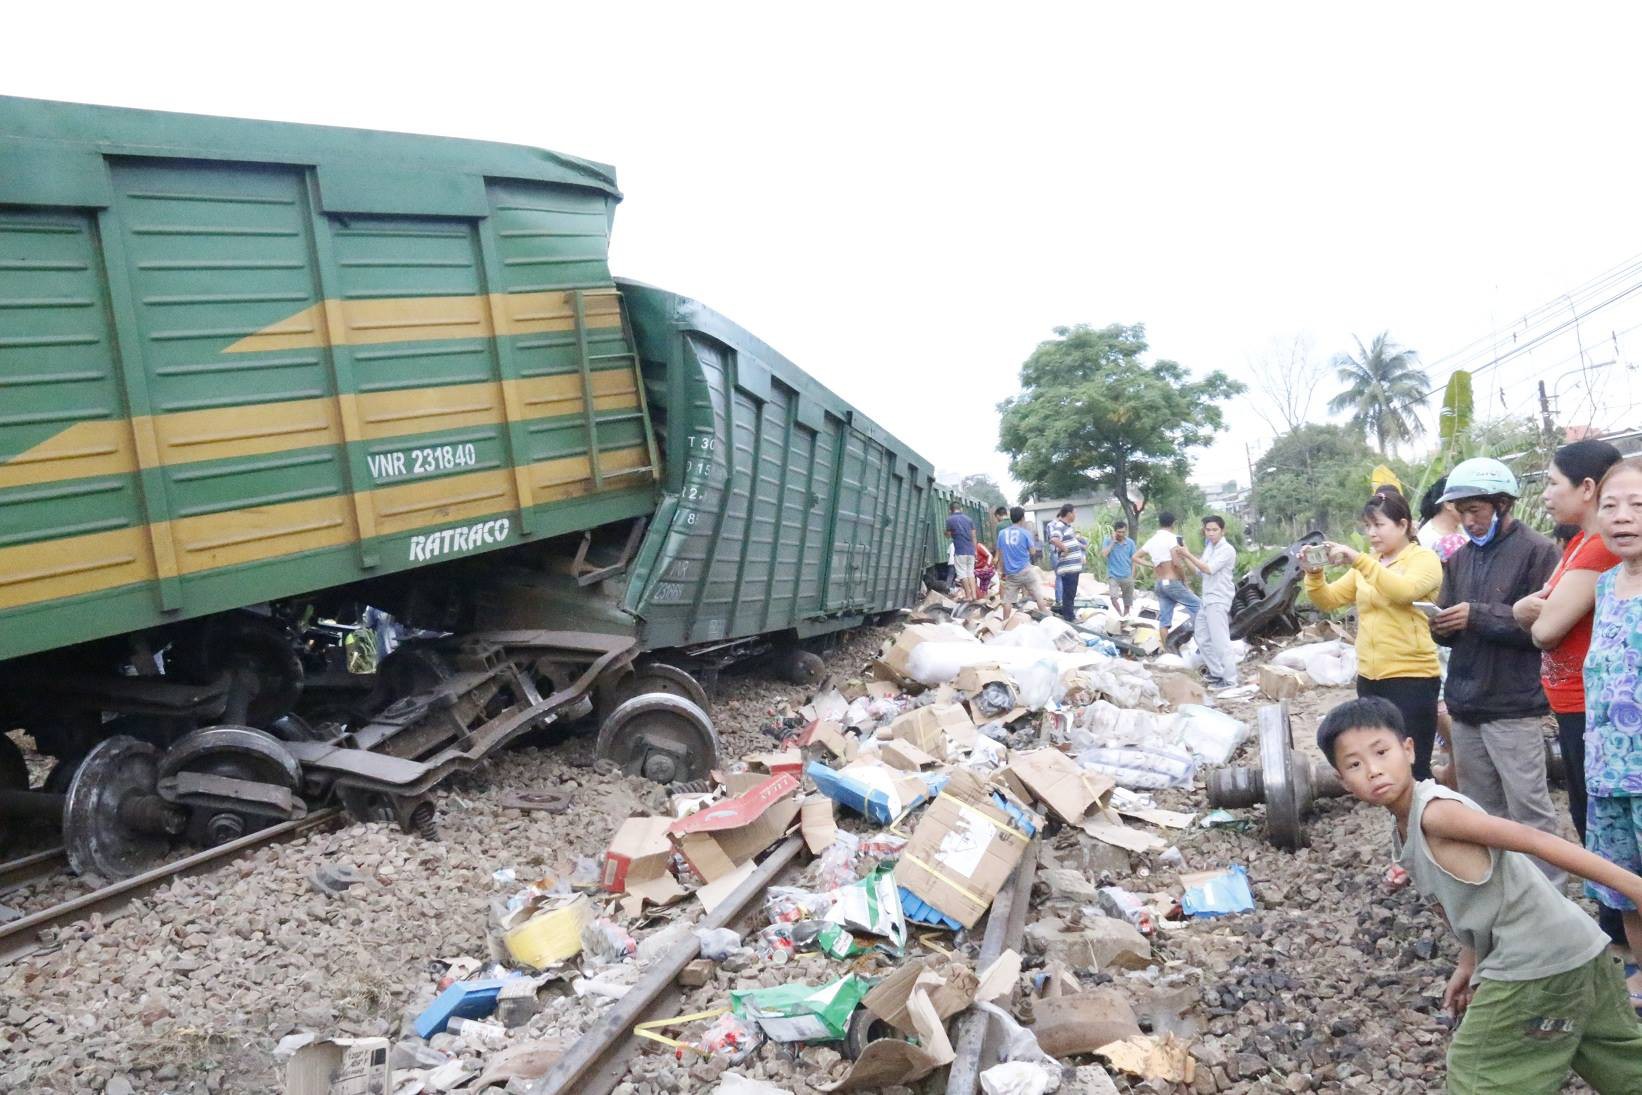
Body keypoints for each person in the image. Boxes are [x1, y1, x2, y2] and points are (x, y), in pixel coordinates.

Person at [1318, 695, 1642, 1092]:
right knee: (1622, 1063)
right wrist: (1469, 962)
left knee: (1478, 1073)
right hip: (1578, 949)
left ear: (1408, 749)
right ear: (1341, 780)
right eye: (1354, 764)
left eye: (1381, 752)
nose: (1373, 770)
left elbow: (1533, 839)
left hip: (1536, 964)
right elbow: (1478, 894)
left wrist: (1633, 886)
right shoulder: (1406, 825)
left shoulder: (1437, 813)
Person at [1430, 457, 1564, 881]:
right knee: (1482, 811)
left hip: (1513, 706)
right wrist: (1441, 625)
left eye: (1477, 511)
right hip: (1466, 704)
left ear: (1503, 504)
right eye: (1462, 512)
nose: (1469, 521)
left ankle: (1551, 901)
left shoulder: (1539, 552)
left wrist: (1476, 615)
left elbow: (1544, 628)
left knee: (1530, 810)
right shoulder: (1459, 559)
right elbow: (1454, 625)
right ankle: (1504, 896)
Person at [1513, 442, 1624, 920]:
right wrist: (1527, 609)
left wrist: (1530, 612)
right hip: (1570, 700)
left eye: (1552, 482)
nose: (1544, 494)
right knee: (1585, 811)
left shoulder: (1599, 549)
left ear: (1586, 488)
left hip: (1589, 702)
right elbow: (1535, 609)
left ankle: (1620, 930)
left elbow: (1545, 627)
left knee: (1598, 817)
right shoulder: (1577, 543)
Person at [1302, 489, 1444, 779]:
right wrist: (1314, 574)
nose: (1371, 533)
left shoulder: (1423, 560)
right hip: (1370, 678)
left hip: (1412, 676)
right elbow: (1328, 600)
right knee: (1382, 767)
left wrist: (1360, 561)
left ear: (1403, 525)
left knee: (1414, 766)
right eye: (1367, 526)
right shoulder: (1369, 564)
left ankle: (1423, 822)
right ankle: (1400, 823)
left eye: (1379, 525)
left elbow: (1403, 592)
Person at [1581, 456, 1642, 1005]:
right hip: (1605, 768)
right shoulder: (1603, 585)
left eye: (1639, 505)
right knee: (1623, 881)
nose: (1623, 517)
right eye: (1611, 505)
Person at [1173, 515, 1240, 687]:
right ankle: (1217, 673)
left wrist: (1188, 554)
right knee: (1201, 637)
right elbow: (1198, 570)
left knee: (1221, 641)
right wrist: (1185, 556)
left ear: (1222, 531)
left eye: (1214, 530)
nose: (1210, 533)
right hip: (1207, 598)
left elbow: (1208, 569)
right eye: (1208, 530)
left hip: (1219, 598)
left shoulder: (1227, 549)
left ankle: (1230, 680)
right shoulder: (1210, 547)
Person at [1136, 512, 1199, 638]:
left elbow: (1135, 557)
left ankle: (1166, 651)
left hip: (1159, 584)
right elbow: (1177, 564)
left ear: (1159, 522)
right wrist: (1184, 581)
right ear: (1173, 524)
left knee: (1164, 621)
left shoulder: (1152, 540)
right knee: (1200, 608)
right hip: (1172, 582)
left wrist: (1150, 564)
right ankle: (1203, 641)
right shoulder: (1172, 539)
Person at [996, 506, 1050, 620]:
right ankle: (1047, 618)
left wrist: (1002, 570)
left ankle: (1005, 623)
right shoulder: (1025, 533)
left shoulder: (1002, 534)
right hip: (1026, 571)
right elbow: (1032, 551)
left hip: (1011, 574)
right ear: (1022, 518)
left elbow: (1000, 554)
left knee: (1008, 601)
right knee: (1038, 596)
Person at [1044, 503, 1088, 623]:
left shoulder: (1067, 527)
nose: (1075, 515)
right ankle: (1069, 617)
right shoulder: (1060, 526)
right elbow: (1054, 539)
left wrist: (1080, 546)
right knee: (1069, 592)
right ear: (1069, 514)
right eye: (1074, 513)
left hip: (1072, 566)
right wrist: (1065, 549)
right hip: (1068, 567)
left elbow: (1069, 541)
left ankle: (1068, 614)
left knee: (1070, 592)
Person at [1419, 476, 1468, 563]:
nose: (1469, 506)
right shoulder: (1427, 539)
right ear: (1448, 504)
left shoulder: (1466, 529)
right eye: (1465, 500)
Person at [1101, 520, 1137, 616]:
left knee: (1128, 601)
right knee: (1113, 598)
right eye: (1119, 532)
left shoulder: (1130, 543)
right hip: (1113, 575)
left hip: (1127, 575)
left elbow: (1134, 560)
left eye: (1123, 532)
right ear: (1115, 531)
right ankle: (1120, 614)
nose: (1121, 534)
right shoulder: (1108, 540)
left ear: (1126, 531)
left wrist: (1132, 575)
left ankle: (1125, 617)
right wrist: (1113, 542)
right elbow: (1104, 554)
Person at [945, 501, 979, 602]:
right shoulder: (969, 519)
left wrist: (946, 532)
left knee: (962, 574)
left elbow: (948, 535)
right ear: (961, 509)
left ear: (950, 510)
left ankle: (968, 596)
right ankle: (974, 595)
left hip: (960, 551)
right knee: (970, 573)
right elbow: (974, 536)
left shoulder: (949, 519)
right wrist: (975, 550)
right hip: (971, 551)